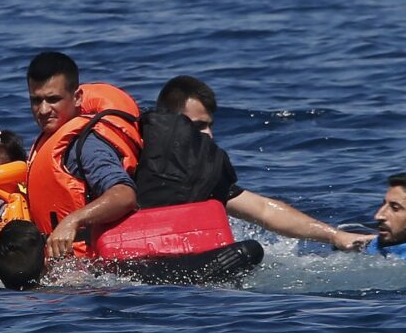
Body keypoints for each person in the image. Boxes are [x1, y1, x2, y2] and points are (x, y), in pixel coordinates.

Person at [154, 75, 371, 250]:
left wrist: (336, 236)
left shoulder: (200, 174)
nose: (209, 134)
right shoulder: (133, 159)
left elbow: (264, 210)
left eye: (210, 125)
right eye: (199, 125)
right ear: (168, 120)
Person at [25, 52, 141, 257]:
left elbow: (124, 194)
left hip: (90, 273)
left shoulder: (87, 145)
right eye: (36, 100)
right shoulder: (48, 140)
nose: (43, 110)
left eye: (53, 99)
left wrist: (73, 220)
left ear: (77, 98)